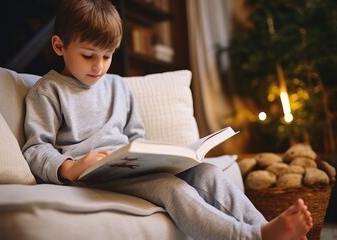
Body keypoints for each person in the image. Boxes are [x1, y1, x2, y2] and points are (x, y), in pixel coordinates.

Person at [22, 0, 313, 239]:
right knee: (171, 188)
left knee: (208, 173)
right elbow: (36, 149)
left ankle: (263, 226)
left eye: (108, 56)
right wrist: (71, 167)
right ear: (60, 46)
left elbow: (135, 135)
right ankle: (251, 237)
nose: (99, 66)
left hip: (128, 167)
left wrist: (156, 157)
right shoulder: (48, 91)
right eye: (89, 56)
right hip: (92, 177)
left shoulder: (119, 87)